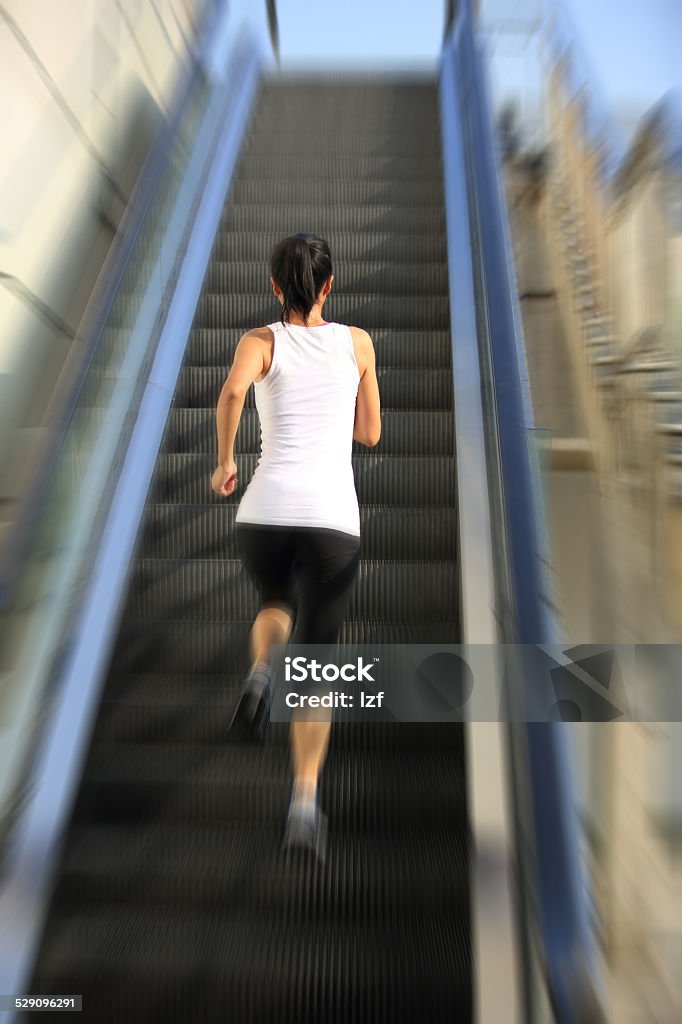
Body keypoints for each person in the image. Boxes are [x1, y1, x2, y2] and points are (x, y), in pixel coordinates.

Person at [210, 232, 381, 860]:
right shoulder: (357, 342)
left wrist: (226, 463)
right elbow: (370, 433)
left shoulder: (259, 342)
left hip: (265, 511)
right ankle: (304, 804)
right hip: (332, 520)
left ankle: (260, 673)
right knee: (317, 668)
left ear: (275, 287)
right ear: (329, 287)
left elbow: (231, 394)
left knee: (275, 601)